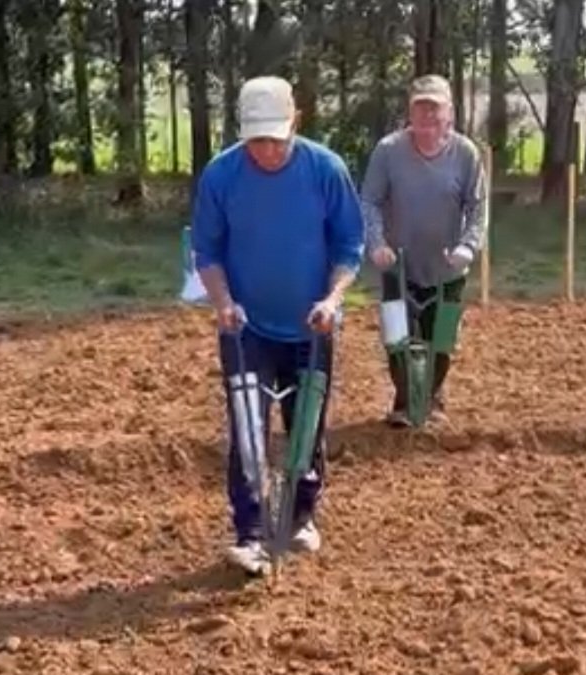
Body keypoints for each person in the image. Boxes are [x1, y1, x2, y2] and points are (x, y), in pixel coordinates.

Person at [191, 75, 365, 576]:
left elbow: (348, 246)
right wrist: (222, 301)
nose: (266, 151)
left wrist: (332, 299)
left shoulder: (325, 170)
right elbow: (207, 249)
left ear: (297, 124)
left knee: (306, 425)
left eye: (276, 138)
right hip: (246, 328)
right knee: (248, 428)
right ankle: (249, 532)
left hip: (313, 326)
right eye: (257, 140)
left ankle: (300, 516)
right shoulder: (221, 177)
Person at [359, 74, 487, 427]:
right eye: (420, 108)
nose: (427, 116)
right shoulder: (388, 152)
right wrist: (377, 243)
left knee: (440, 340)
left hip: (447, 268)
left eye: (435, 108)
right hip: (397, 265)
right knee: (398, 339)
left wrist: (468, 247)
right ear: (409, 113)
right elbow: (369, 201)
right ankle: (405, 402)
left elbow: (477, 208)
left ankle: (431, 399)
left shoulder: (466, 154)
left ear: (450, 113)